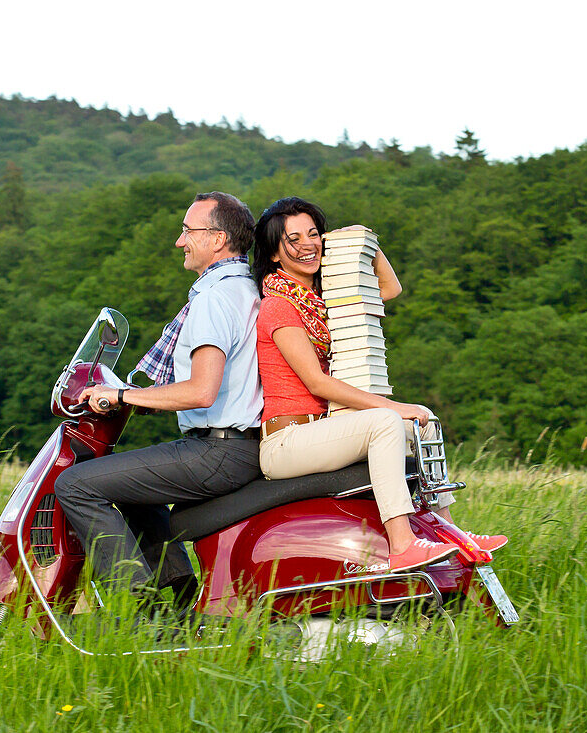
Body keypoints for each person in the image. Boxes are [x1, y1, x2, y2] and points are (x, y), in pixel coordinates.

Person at [251, 197, 507, 572]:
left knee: (421, 424)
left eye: (314, 234)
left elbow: (389, 289)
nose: (308, 245)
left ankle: (452, 534)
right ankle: (402, 545)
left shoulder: (322, 302)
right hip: (286, 440)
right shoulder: (278, 306)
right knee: (388, 421)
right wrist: (396, 407)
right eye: (294, 240)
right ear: (275, 254)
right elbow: (317, 383)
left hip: (322, 431)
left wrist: (366, 244)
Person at [54, 191, 263, 608]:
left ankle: (136, 604)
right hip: (237, 446)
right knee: (129, 486)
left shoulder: (214, 299)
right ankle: (177, 603)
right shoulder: (247, 289)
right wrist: (136, 397)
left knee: (75, 485)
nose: (179, 241)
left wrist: (119, 394)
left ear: (218, 238)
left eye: (188, 231)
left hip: (219, 450)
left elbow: (201, 390)